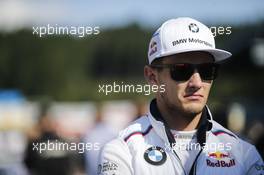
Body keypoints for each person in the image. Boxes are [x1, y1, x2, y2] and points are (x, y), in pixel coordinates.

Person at [97, 17, 264, 175]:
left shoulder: (244, 154)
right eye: (182, 70)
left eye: (207, 70)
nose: (197, 83)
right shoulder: (122, 151)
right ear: (152, 77)